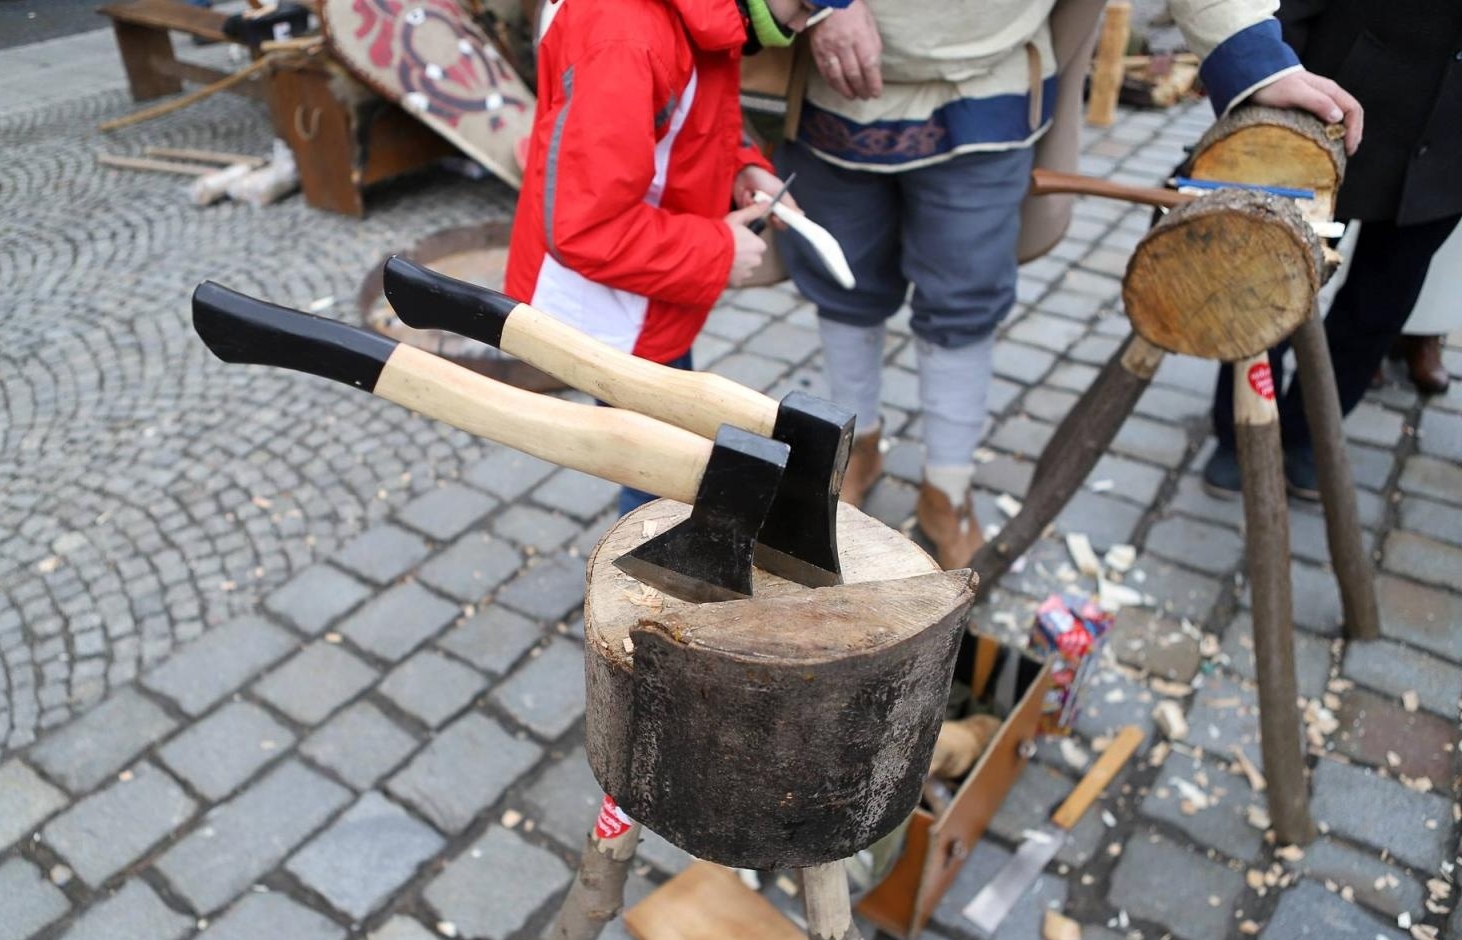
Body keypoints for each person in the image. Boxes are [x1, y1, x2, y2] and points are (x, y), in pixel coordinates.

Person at [775, 0, 1362, 566]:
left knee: (964, 302)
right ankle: (852, 454)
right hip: (836, 79)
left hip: (987, 85)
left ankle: (946, 491)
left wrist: (1253, 57)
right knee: (844, 284)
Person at [506, 0, 832, 515]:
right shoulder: (627, 37)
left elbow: (688, 114)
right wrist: (718, 252)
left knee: (668, 454)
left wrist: (741, 166)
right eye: (809, 5)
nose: (803, 26)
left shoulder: (702, 13)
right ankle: (643, 592)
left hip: (646, 293)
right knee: (657, 473)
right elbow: (585, 227)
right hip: (616, 310)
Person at [1204, 0, 1461, 498]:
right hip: (1334, 110)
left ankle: (1310, 435)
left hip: (1451, 151)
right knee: (1273, 278)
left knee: (1380, 306)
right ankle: (1240, 432)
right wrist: (1268, 80)